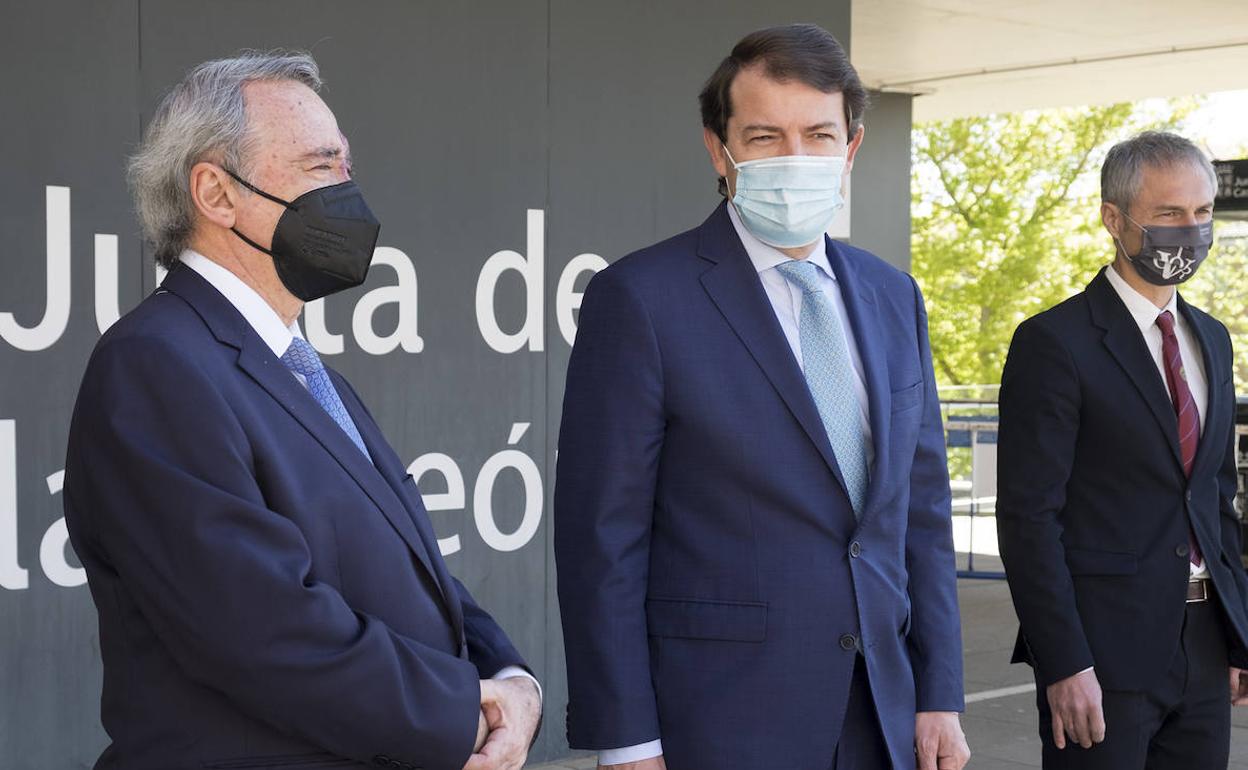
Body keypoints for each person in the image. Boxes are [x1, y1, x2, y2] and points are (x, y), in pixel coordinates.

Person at [63, 51, 540, 770]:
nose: (349, 192)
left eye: (347, 167)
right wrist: (461, 712)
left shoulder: (303, 371)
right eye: (322, 167)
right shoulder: (155, 366)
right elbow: (260, 629)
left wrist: (510, 680)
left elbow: (411, 570)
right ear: (217, 194)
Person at [554, 23, 969, 770]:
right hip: (720, 722)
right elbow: (602, 542)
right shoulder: (640, 299)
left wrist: (939, 693)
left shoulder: (891, 295)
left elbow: (922, 513)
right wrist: (626, 739)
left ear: (851, 147)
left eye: (818, 134)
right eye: (765, 136)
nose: (797, 158)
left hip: (885, 713)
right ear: (720, 150)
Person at [997, 130, 1248, 768]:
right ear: (1116, 218)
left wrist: (1238, 634)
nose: (1190, 231)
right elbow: (1029, 520)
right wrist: (1064, 662)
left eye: (1202, 213)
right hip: (1101, 654)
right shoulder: (1054, 342)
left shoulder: (1212, 340)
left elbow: (1217, 498)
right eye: (1169, 214)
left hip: (1205, 645)